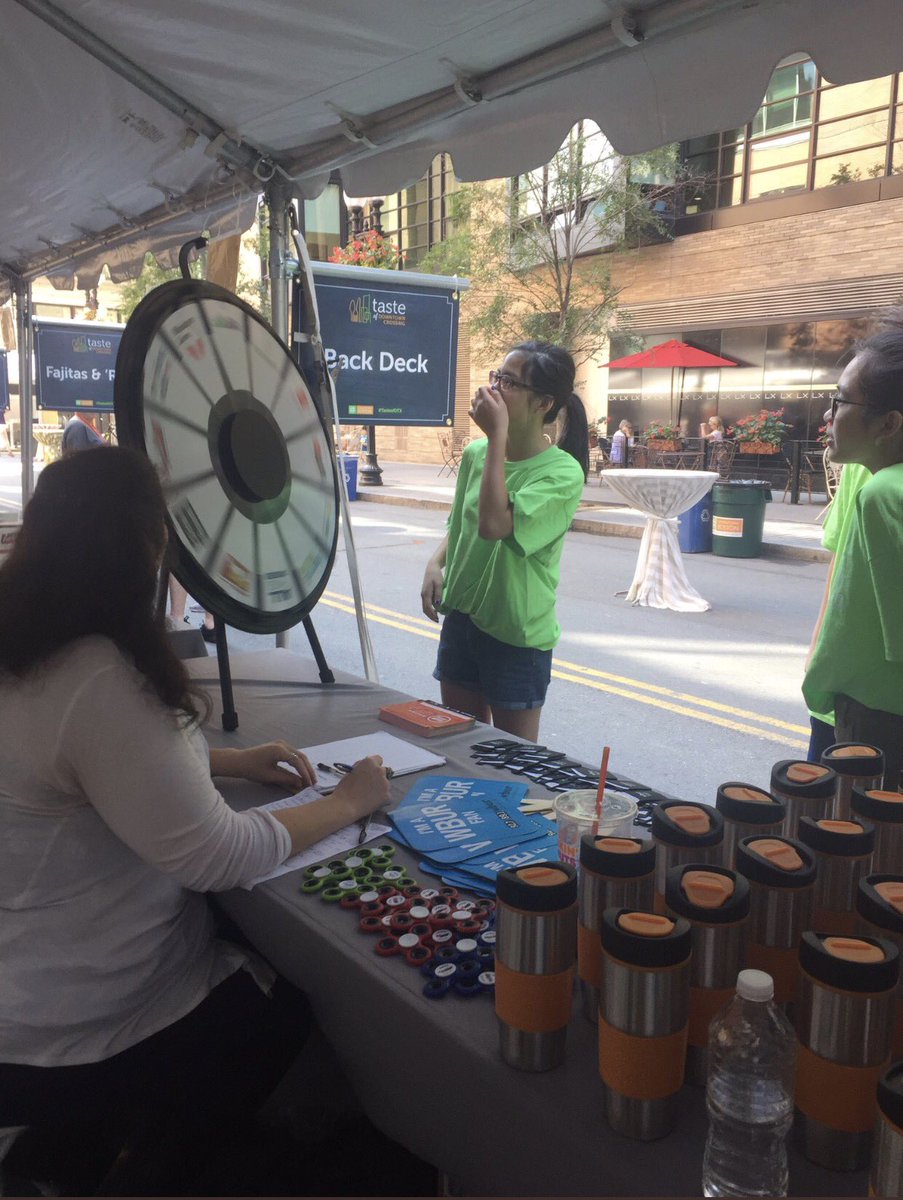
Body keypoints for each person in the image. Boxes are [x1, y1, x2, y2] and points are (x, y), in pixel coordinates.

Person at [0, 446, 391, 1194]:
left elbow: (67, 768)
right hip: (71, 1024)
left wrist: (228, 763)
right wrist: (348, 802)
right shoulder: (100, 676)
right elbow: (218, 857)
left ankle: (76, 1141)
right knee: (285, 1011)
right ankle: (144, 1168)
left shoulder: (23, 640)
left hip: (19, 991)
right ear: (147, 548)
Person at [420, 340, 589, 742]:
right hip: (462, 619)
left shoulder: (563, 474)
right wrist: (435, 562)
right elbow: (463, 520)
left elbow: (495, 525)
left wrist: (497, 437)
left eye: (509, 383)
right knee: (461, 745)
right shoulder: (477, 454)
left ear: (542, 404)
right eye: (497, 376)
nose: (494, 389)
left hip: (517, 635)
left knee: (514, 762)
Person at [802, 324, 903, 789]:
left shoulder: (883, 493)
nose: (828, 414)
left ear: (889, 424)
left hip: (880, 718)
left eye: (841, 401)